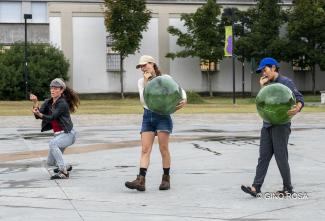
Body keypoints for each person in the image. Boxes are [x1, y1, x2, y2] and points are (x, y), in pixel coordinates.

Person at [241, 57, 304, 197]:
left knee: (281, 157)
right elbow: (263, 102)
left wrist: (297, 108)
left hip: (281, 126)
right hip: (267, 125)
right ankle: (255, 187)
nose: (263, 73)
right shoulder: (266, 83)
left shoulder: (286, 82)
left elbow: (300, 98)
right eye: (262, 71)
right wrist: (262, 86)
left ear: (274, 68)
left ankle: (288, 188)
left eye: (265, 69)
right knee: (263, 157)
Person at [125, 55, 187, 191]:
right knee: (145, 149)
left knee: (163, 149)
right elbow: (144, 100)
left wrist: (184, 99)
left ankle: (166, 179)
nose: (143, 68)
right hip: (148, 116)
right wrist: (147, 82)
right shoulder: (141, 82)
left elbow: (179, 90)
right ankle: (141, 180)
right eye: (141, 66)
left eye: (145, 65)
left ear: (152, 64)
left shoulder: (165, 79)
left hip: (163, 116)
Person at [30, 78, 80, 179]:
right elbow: (37, 115)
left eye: (56, 88)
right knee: (50, 162)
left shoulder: (62, 104)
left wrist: (39, 113)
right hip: (58, 135)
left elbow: (52, 117)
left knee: (53, 144)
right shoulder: (48, 102)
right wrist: (35, 103)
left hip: (68, 134)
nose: (53, 90)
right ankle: (66, 165)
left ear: (61, 90)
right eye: (51, 88)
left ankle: (64, 172)